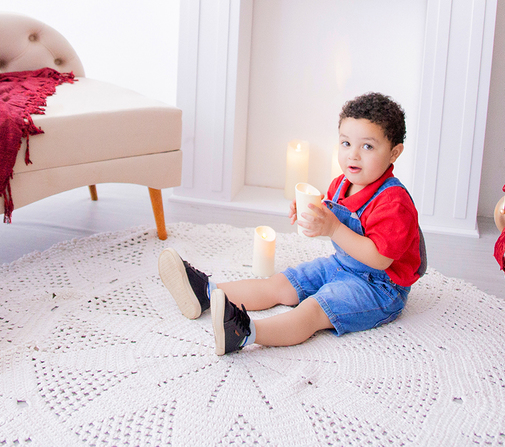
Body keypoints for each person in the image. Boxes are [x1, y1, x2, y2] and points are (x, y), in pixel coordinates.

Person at [159, 92, 426, 355]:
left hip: (379, 287)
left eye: (367, 146)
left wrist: (333, 228)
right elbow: (330, 216)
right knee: (280, 284)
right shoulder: (343, 183)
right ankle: (204, 292)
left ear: (394, 153)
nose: (353, 156)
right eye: (346, 143)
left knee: (313, 309)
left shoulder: (394, 202)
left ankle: (244, 333)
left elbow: (380, 259)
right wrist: (311, 212)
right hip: (342, 265)